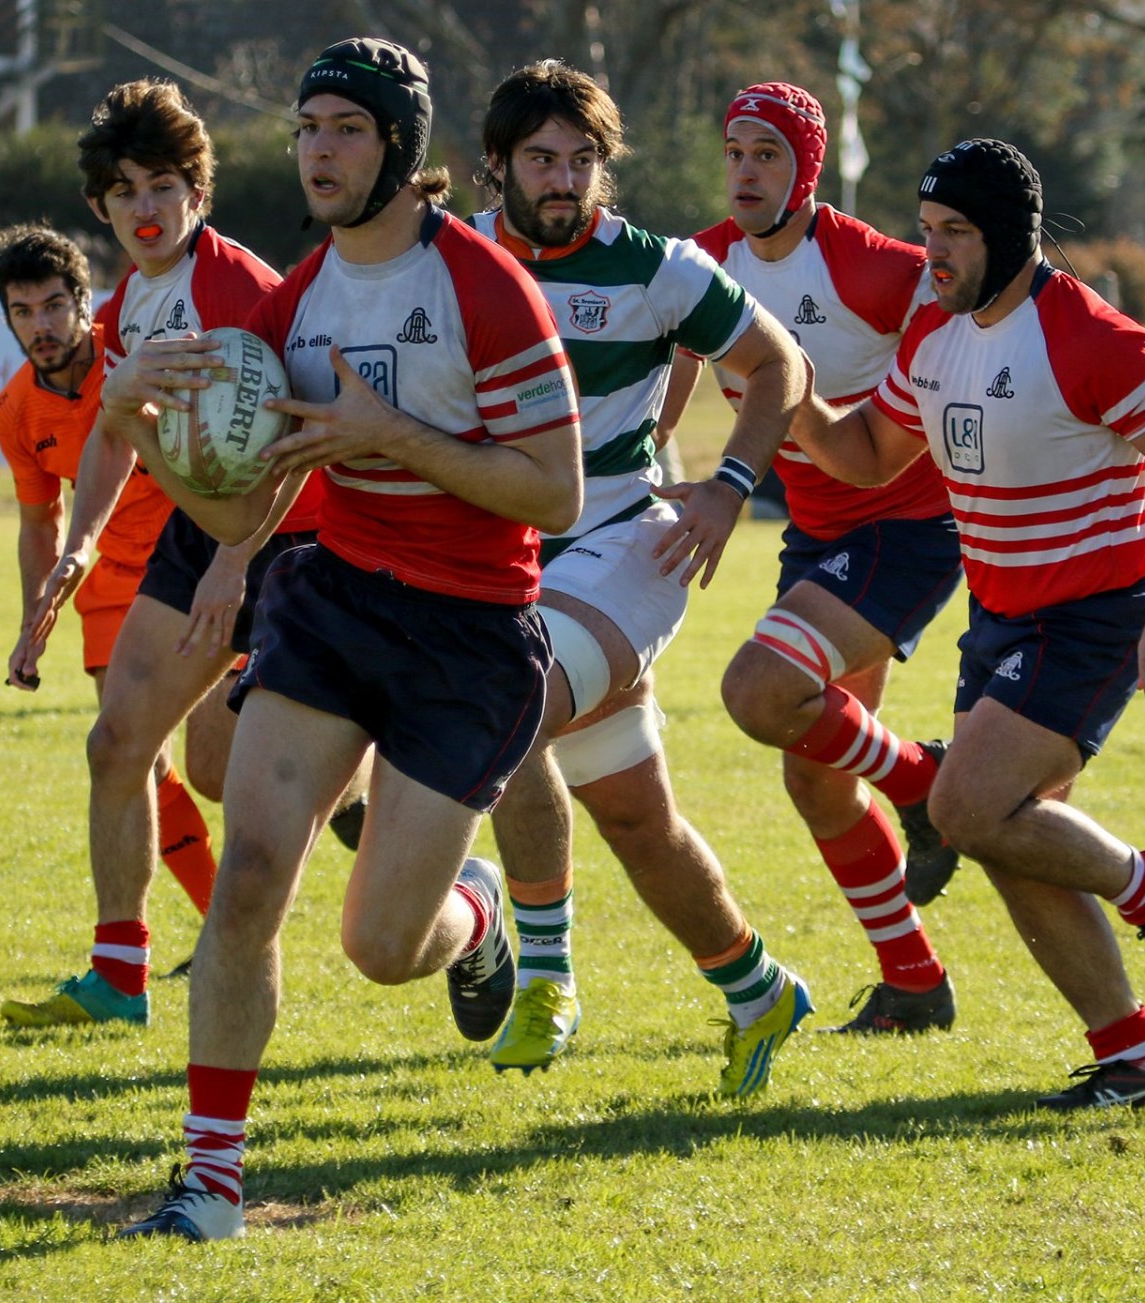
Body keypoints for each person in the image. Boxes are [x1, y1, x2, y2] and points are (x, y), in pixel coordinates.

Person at [113, 38, 582, 1240]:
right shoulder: (296, 300)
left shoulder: (483, 286)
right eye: (307, 128)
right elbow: (237, 517)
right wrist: (138, 423)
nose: (317, 151)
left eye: (346, 129)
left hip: (469, 636)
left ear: (399, 148)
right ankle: (210, 1183)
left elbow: (554, 493)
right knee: (250, 877)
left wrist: (394, 435)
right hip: (331, 604)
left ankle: (474, 912)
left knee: (380, 946)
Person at [789, 139, 1145, 1108]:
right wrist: (780, 384)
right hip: (999, 617)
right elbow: (866, 454)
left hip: (1092, 618)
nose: (933, 253)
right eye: (926, 231)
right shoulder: (934, 332)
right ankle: (1136, 1060)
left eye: (954, 233)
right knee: (1007, 832)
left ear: (1007, 236)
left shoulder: (1090, 337)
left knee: (966, 809)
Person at [466, 61, 813, 1090]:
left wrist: (730, 486)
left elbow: (781, 364)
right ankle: (758, 989)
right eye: (542, 159)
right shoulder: (452, 261)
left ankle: (541, 974)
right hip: (501, 561)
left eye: (582, 160)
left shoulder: (656, 268)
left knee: (507, 699)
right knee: (635, 820)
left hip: (629, 544)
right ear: (498, 163)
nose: (565, 179)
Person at [0, 80, 325, 1030]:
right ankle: (120, 976)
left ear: (198, 192)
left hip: (287, 539)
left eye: (163, 186)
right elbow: (114, 424)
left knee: (222, 774)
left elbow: (301, 438)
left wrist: (237, 555)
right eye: (125, 190)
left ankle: (377, 804)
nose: (145, 207)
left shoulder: (240, 289)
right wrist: (81, 545)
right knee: (116, 742)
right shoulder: (129, 303)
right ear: (99, 205)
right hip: (199, 529)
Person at [664, 82, 964, 1035]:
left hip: (908, 526)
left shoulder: (875, 266)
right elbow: (667, 375)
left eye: (768, 155)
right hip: (818, 533)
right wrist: (639, 466)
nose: (746, 172)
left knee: (762, 691)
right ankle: (915, 983)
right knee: (817, 776)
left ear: (806, 171)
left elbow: (972, 324)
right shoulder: (701, 263)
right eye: (735, 153)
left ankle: (923, 783)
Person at [0, 224, 221, 999]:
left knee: (223, 760)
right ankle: (202, 934)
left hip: (197, 563)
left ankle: (359, 805)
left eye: (56, 305)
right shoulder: (17, 410)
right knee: (136, 756)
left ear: (87, 305)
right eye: (23, 312)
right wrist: (34, 621)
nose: (42, 326)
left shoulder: (136, 354)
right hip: (114, 584)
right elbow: (38, 522)